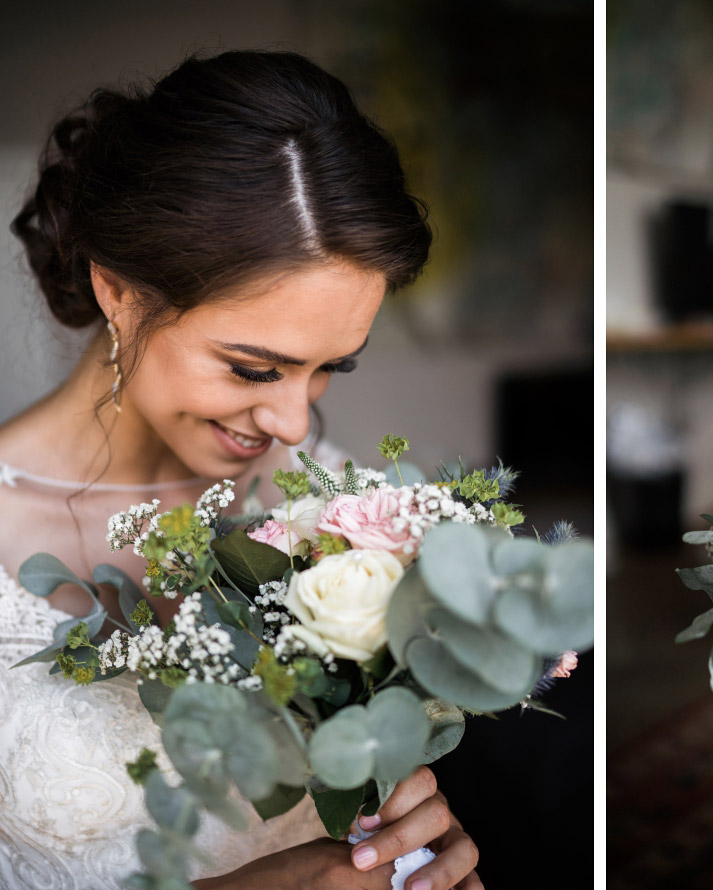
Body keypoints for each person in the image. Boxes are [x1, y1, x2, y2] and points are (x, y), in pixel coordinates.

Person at [0, 50, 482, 890]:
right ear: (118, 290)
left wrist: (407, 853)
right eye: (255, 369)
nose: (296, 422)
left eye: (334, 365)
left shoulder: (338, 510)